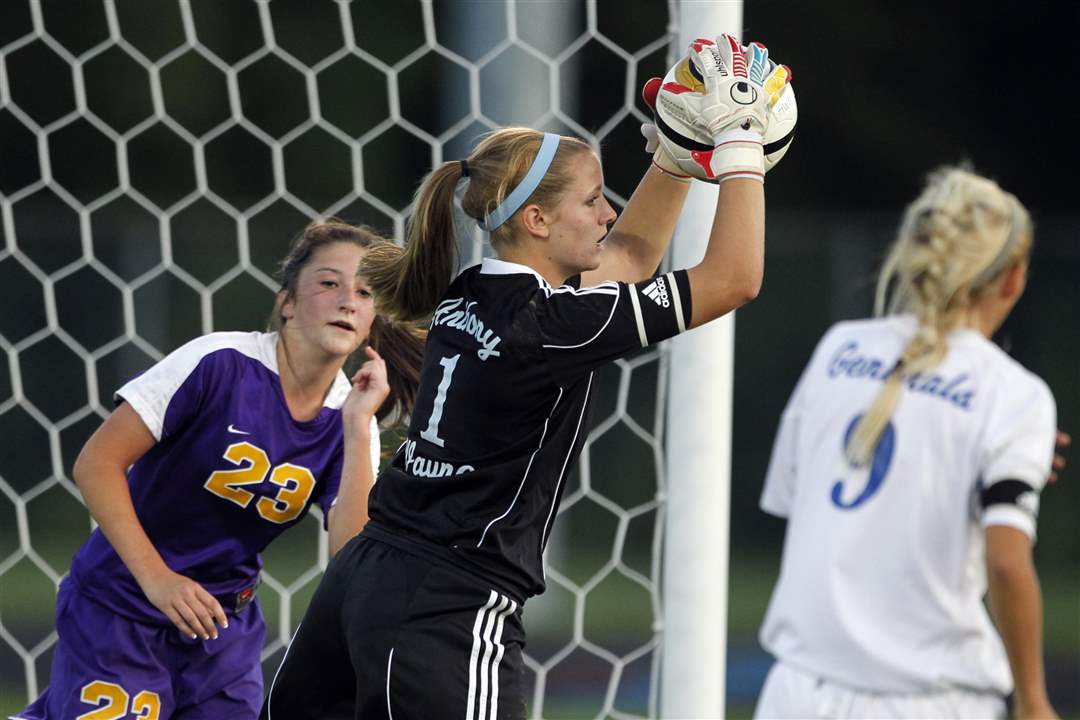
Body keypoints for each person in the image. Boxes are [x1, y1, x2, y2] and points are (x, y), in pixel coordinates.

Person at [262, 35, 788, 720]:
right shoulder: (549, 326)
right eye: (595, 199)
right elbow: (735, 280)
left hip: (365, 583)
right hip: (448, 608)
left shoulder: (473, 292)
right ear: (537, 221)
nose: (608, 212)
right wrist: (741, 145)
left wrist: (676, 155)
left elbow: (629, 251)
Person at [13, 222, 424, 720]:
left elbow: (348, 554)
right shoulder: (218, 363)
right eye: (329, 283)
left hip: (219, 632)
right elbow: (96, 464)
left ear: (372, 320)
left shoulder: (349, 415)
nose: (347, 301)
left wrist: (360, 425)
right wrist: (159, 580)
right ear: (287, 302)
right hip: (121, 606)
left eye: (364, 292)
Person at [753, 167, 1059, 719]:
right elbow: (1007, 565)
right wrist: (1034, 702)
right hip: (933, 701)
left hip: (798, 694)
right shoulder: (1015, 395)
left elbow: (803, 499)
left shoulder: (838, 349)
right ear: (1012, 278)